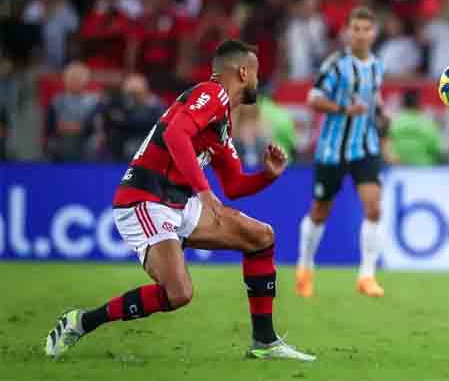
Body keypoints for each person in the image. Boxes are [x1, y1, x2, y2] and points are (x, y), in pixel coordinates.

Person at [45, 40, 315, 362]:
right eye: (256, 73)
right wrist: (203, 190)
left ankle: (265, 343)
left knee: (260, 237)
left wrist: (269, 175)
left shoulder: (222, 123)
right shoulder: (212, 94)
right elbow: (175, 135)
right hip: (146, 198)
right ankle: (80, 322)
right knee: (179, 293)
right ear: (244, 72)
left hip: (179, 203)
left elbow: (234, 185)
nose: (258, 80)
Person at [295, 7, 388, 298]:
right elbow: (313, 98)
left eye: (366, 29)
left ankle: (367, 275)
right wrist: (343, 110)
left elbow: (375, 99)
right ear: (348, 31)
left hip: (365, 147)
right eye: (356, 28)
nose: (361, 34)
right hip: (332, 150)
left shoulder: (377, 66)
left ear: (374, 32)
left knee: (374, 208)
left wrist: (382, 114)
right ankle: (305, 267)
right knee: (320, 211)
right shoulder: (335, 65)